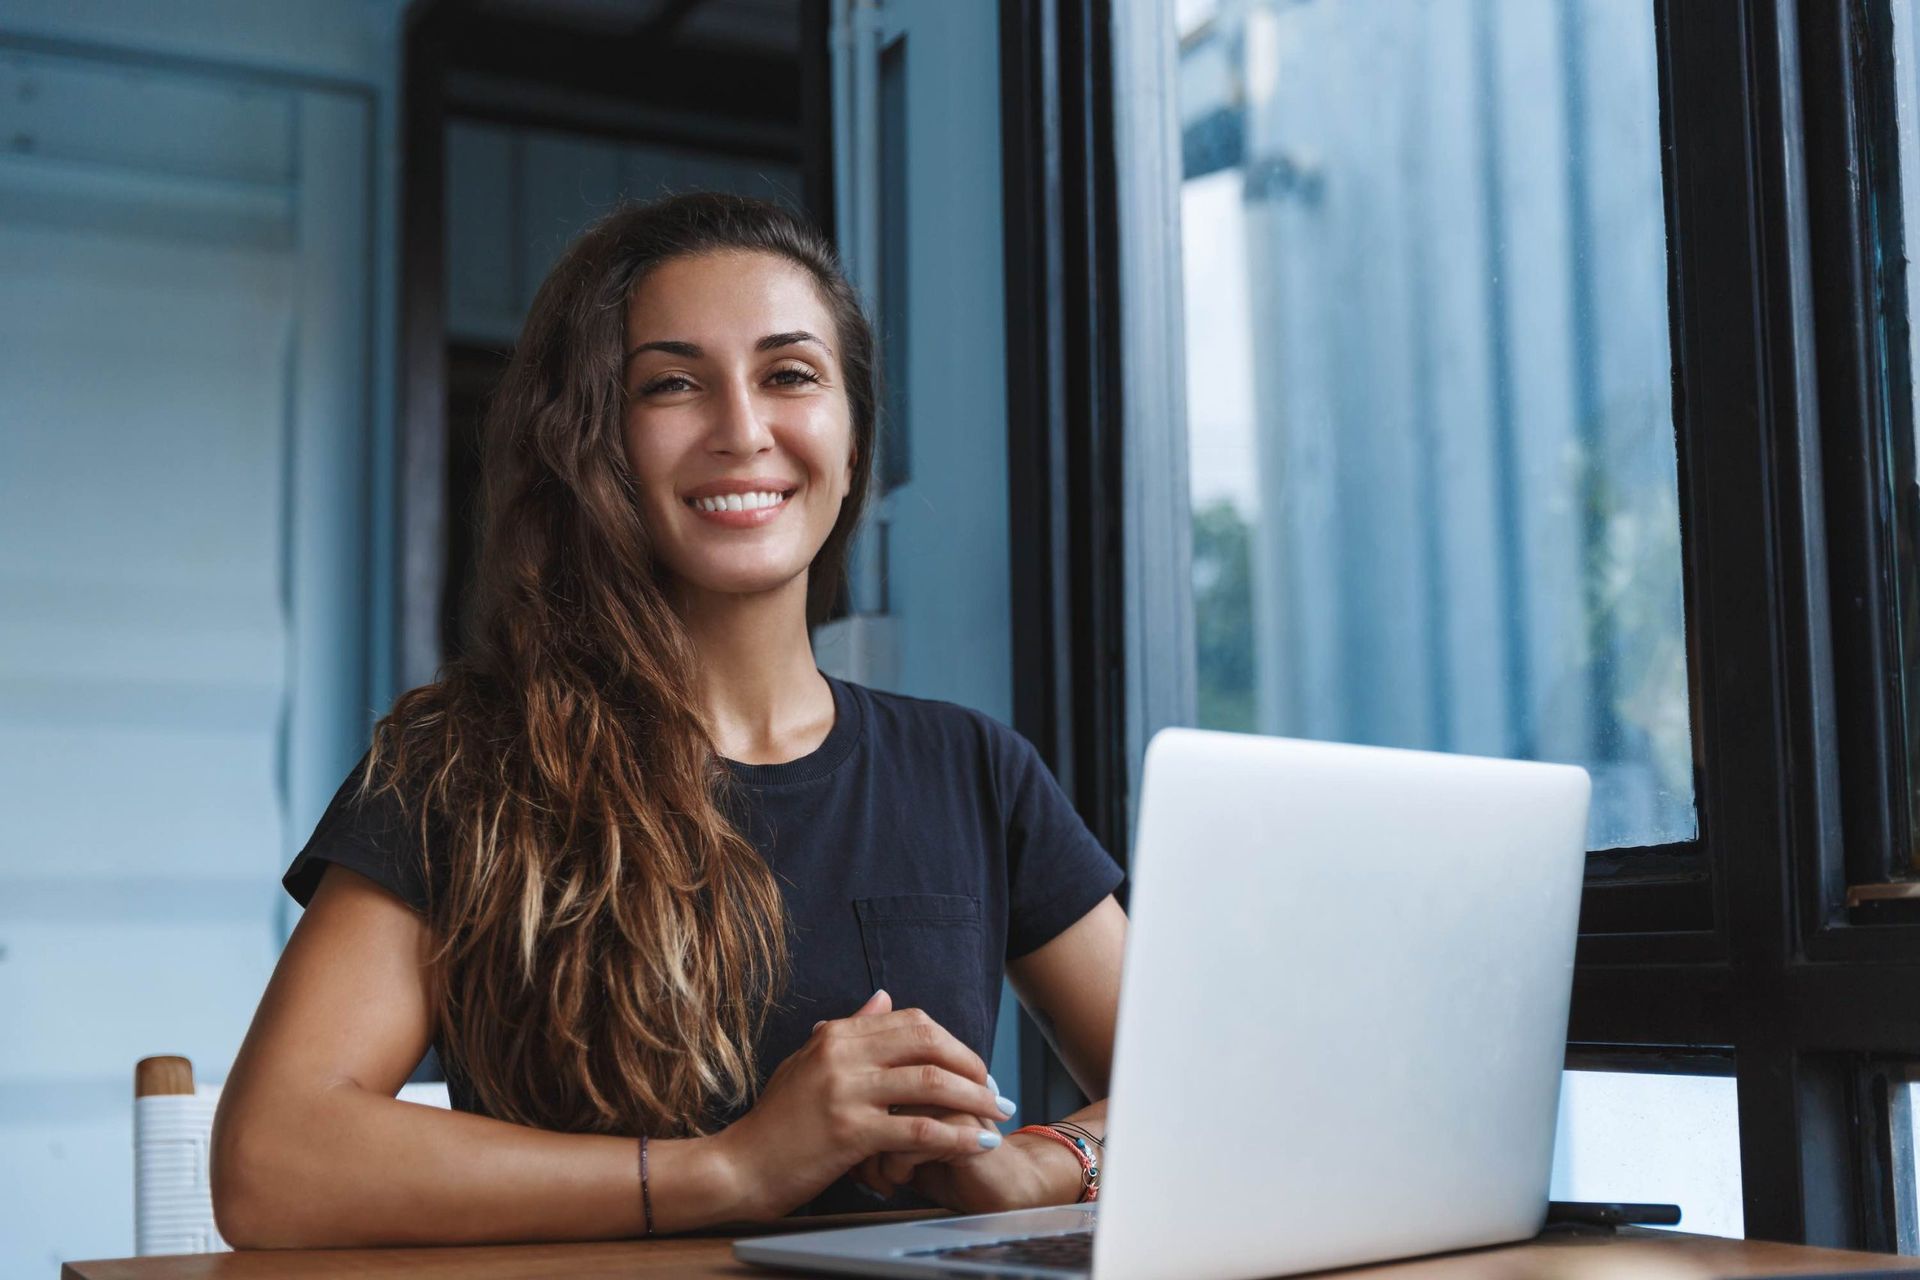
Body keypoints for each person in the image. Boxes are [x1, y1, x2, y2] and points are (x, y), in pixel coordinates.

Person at [209, 191, 1127, 1248]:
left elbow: (1198, 1085)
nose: (742, 430)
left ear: (853, 431)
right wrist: (734, 1166)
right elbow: (272, 1163)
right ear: (594, 440)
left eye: (789, 374)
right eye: (673, 384)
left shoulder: (974, 767)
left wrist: (1044, 1164)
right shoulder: (463, 764)